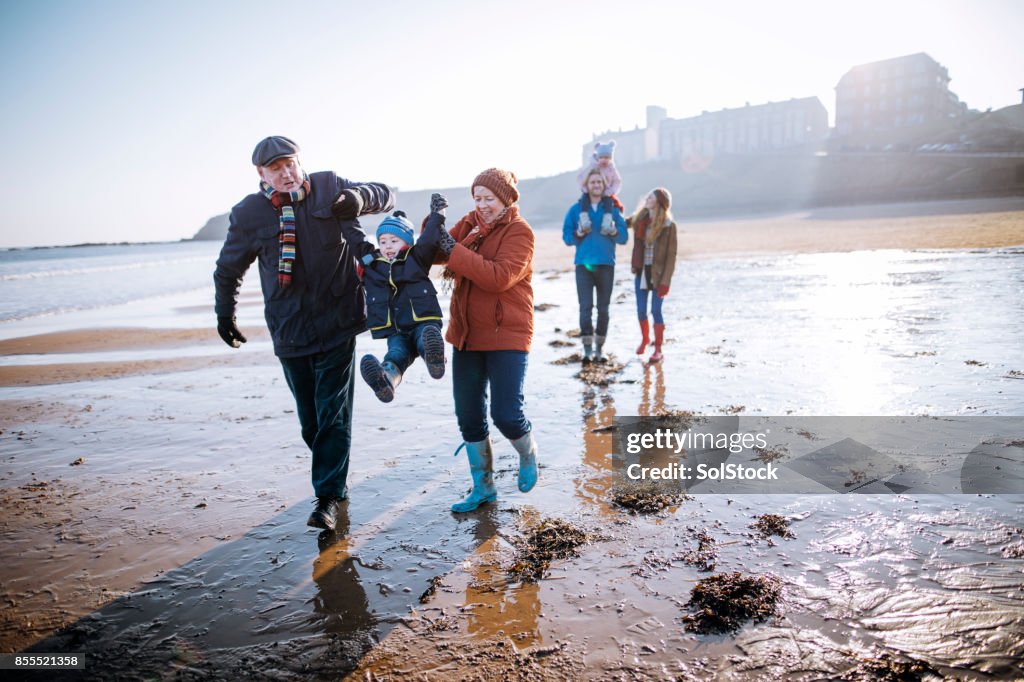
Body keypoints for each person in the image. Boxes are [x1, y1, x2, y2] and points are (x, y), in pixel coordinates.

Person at [214, 135, 394, 532]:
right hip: (289, 327)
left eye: (290, 164)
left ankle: (327, 498)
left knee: (332, 412)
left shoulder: (330, 187)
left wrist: (359, 198)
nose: (286, 173)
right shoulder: (248, 214)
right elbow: (228, 269)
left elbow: (386, 194)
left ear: (300, 162)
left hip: (339, 319)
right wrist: (225, 314)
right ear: (261, 174)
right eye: (276, 168)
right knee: (311, 423)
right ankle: (335, 478)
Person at [433, 168, 539, 513]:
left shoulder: (520, 232)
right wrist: (434, 223)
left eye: (488, 199)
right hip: (466, 334)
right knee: (468, 415)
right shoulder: (470, 223)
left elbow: (498, 277)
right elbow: (435, 250)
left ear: (505, 198)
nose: (482, 205)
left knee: (507, 415)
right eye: (477, 198)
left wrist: (453, 250)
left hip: (507, 333)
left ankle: (528, 452)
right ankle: (484, 487)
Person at [358, 195, 449, 403]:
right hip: (397, 329)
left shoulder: (416, 258)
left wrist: (438, 214)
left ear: (407, 243)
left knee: (425, 338)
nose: (387, 246)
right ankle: (386, 380)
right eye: (382, 241)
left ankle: (434, 358)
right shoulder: (373, 265)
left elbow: (428, 239)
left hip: (422, 322)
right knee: (396, 355)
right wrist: (344, 215)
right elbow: (356, 242)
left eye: (394, 241)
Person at [562, 168, 629, 363]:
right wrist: (578, 234)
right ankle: (587, 350)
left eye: (599, 182)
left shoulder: (613, 210)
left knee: (604, 309)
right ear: (586, 186)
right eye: (593, 182)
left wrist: (614, 231)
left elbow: (624, 238)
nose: (596, 185)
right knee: (585, 308)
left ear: (604, 185)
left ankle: (600, 349)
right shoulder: (575, 210)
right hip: (583, 266)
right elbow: (567, 237)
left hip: (606, 265)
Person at [627, 187, 678, 363]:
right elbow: (622, 222)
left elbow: (671, 256)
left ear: (659, 202)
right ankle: (645, 339)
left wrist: (666, 282)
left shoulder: (668, 226)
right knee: (641, 311)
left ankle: (658, 350)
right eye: (648, 196)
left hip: (658, 275)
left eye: (651, 197)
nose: (647, 199)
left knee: (656, 311)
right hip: (642, 271)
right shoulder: (639, 220)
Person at [576, 140, 623, 210]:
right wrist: (586, 189)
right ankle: (584, 215)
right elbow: (581, 177)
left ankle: (608, 217)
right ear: (598, 158)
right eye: (601, 158)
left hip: (606, 193)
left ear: (610, 159)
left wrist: (611, 191)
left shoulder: (611, 169)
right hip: (591, 193)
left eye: (606, 158)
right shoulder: (592, 166)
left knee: (609, 203)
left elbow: (617, 181)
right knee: (584, 200)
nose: (604, 160)